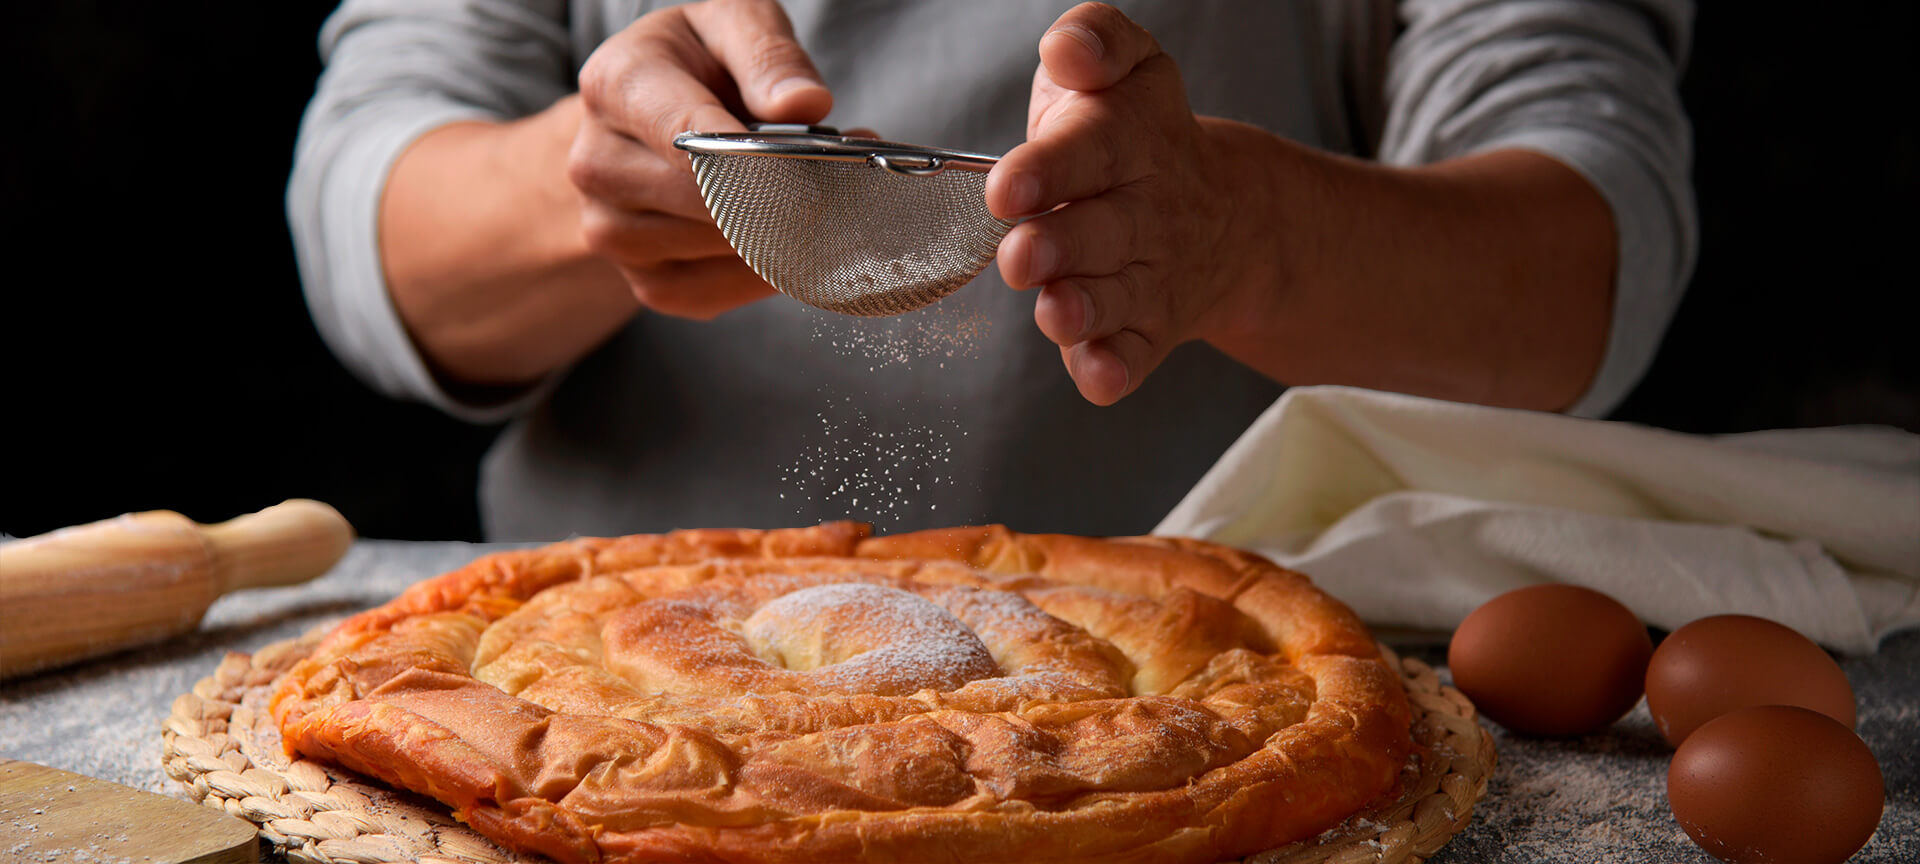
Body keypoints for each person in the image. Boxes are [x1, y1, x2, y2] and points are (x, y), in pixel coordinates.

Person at [289, 0, 1697, 541]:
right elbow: (370, 215)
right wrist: (583, 186)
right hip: (605, 664)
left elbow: (1592, 254)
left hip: (1215, 665)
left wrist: (1250, 237)